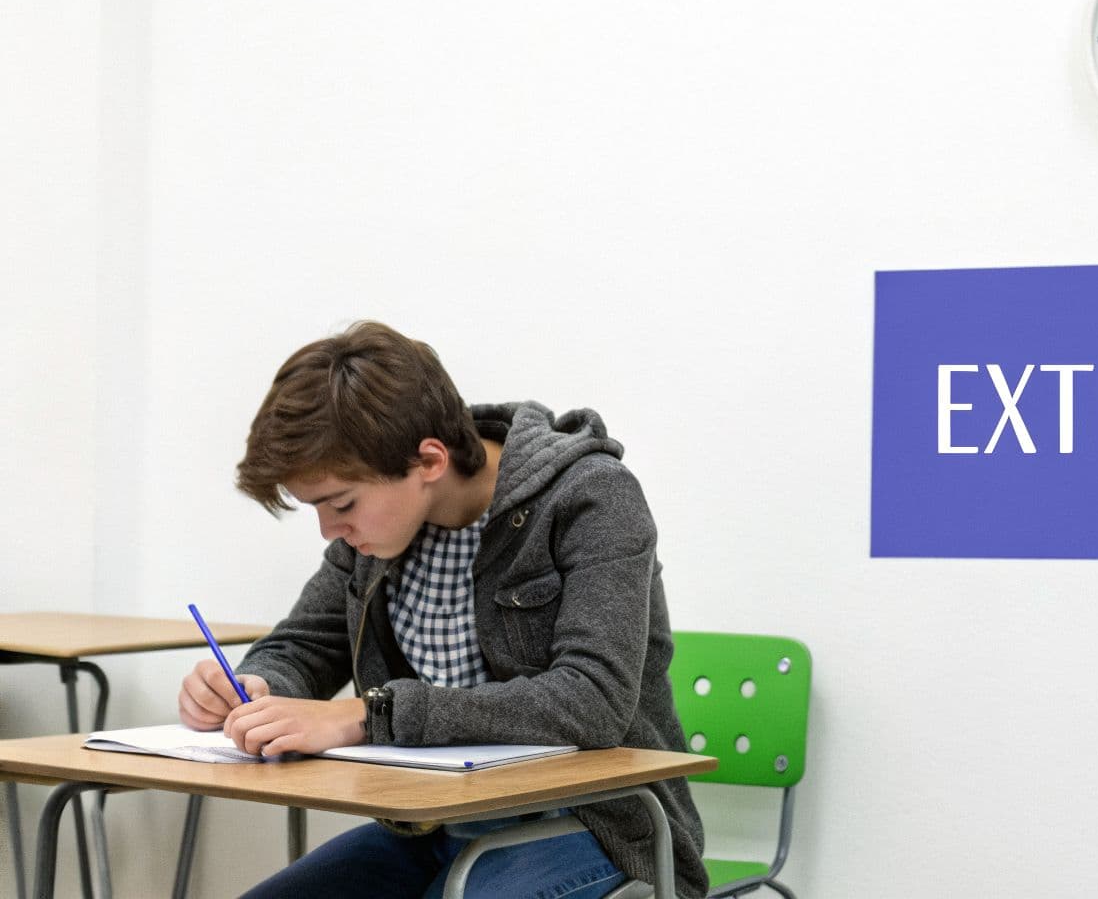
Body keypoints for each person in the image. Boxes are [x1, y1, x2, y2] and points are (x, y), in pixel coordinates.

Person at [177, 320, 708, 898]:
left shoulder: (591, 496)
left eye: (342, 503)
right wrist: (255, 688)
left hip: (596, 825)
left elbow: (591, 701)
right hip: (437, 824)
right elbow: (303, 646)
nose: (330, 529)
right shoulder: (379, 537)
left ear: (429, 461)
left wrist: (368, 715)